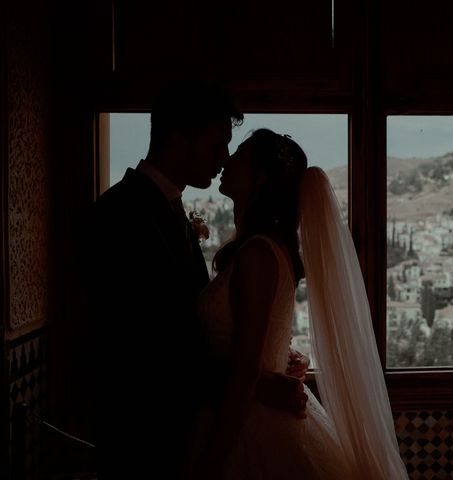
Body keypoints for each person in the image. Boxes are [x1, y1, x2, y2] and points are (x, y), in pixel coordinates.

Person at [85, 82, 309, 480]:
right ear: (178, 138)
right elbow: (148, 349)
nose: (224, 158)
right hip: (143, 439)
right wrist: (257, 381)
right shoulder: (121, 214)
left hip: (184, 435)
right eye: (216, 145)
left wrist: (264, 356)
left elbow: (192, 327)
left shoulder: (171, 211)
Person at [190, 128, 409, 479]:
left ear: (260, 178)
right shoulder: (263, 249)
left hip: (248, 424)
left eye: (241, 155)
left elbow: (246, 371)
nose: (228, 159)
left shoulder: (258, 253)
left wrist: (210, 464)